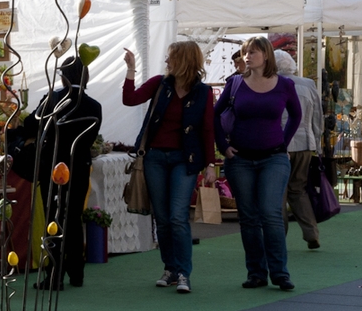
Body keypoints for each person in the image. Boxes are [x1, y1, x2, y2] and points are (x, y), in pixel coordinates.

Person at [123, 42, 215, 294]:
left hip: (184, 160)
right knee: (162, 218)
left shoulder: (203, 92)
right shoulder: (160, 84)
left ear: (183, 61)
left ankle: (184, 272)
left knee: (177, 216)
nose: (166, 62)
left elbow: (208, 129)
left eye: (170, 58)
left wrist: (210, 164)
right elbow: (129, 99)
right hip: (154, 158)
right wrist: (131, 71)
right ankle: (170, 268)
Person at [215, 36, 301, 291]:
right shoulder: (235, 84)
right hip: (240, 159)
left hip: (273, 157)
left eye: (253, 52)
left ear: (266, 55)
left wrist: (284, 143)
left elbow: (296, 115)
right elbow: (215, 114)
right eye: (245, 52)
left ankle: (280, 273)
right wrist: (223, 147)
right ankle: (256, 273)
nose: (247, 56)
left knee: (271, 213)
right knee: (249, 217)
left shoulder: (284, 84)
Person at [12, 57, 102, 290]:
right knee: (72, 218)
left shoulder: (52, 99)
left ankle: (54, 275)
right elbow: (89, 140)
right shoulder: (95, 106)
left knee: (54, 219)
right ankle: (77, 272)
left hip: (53, 166)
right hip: (79, 166)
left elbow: (31, 125)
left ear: (62, 76)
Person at [275, 51, 323, 250]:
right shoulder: (308, 84)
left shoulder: (273, 83)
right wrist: (316, 144)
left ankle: (278, 237)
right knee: (299, 189)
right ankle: (311, 232)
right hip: (305, 143)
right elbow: (317, 117)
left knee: (279, 192)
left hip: (280, 143)